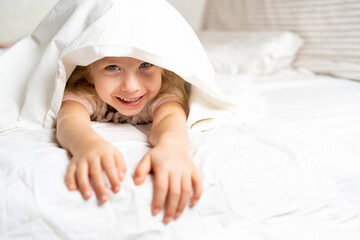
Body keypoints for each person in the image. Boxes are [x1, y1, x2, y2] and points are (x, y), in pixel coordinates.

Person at [56, 56, 202, 224]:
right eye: (112, 67)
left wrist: (172, 147)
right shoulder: (85, 89)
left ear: (163, 68)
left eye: (145, 65)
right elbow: (70, 118)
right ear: (88, 71)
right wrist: (86, 143)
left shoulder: (165, 89)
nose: (131, 86)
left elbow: (169, 118)